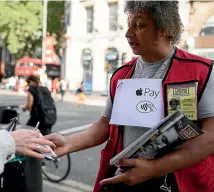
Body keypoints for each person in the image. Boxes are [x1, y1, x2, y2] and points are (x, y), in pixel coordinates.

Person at [45, 1, 214, 192]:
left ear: (164, 29)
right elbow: (104, 125)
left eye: (140, 25)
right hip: (123, 178)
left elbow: (211, 136)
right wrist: (68, 143)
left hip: (178, 182)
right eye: (129, 26)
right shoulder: (121, 75)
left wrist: (153, 169)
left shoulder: (202, 71)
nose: (128, 34)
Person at [22, 75, 56, 192]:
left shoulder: (32, 90)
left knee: (26, 134)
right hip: (48, 118)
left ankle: (38, 161)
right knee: (45, 137)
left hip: (37, 119)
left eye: (28, 82)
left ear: (31, 81)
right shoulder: (45, 89)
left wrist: (23, 108)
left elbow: (29, 104)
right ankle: (47, 156)